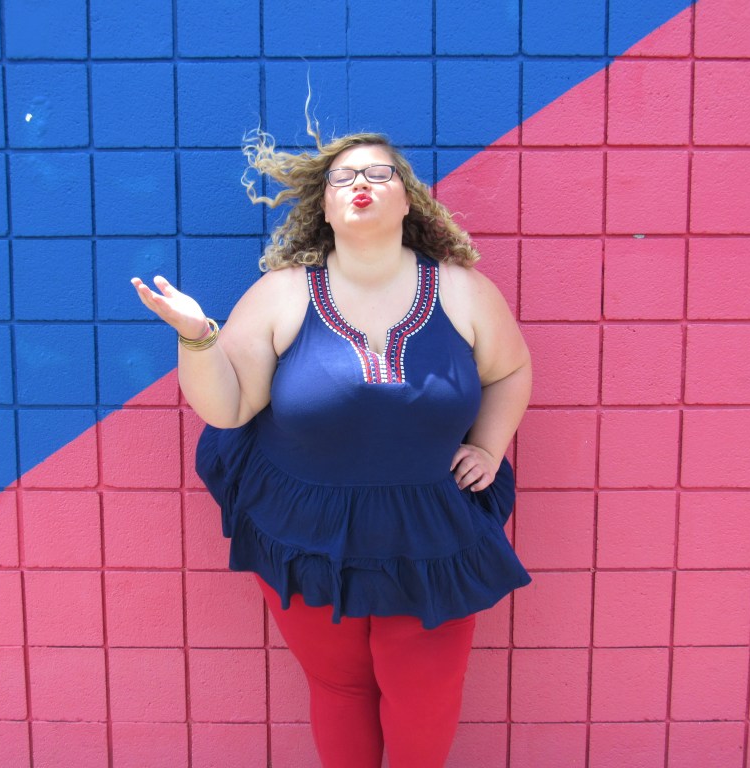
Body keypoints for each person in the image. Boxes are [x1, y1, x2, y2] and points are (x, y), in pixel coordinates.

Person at [132, 124, 532, 768]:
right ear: (323, 205)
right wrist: (197, 337)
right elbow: (227, 408)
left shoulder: (461, 290)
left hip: (431, 532)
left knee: (425, 696)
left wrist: (488, 446)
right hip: (307, 534)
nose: (360, 185)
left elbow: (511, 370)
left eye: (378, 173)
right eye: (343, 178)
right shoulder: (283, 294)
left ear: (408, 198)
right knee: (340, 688)